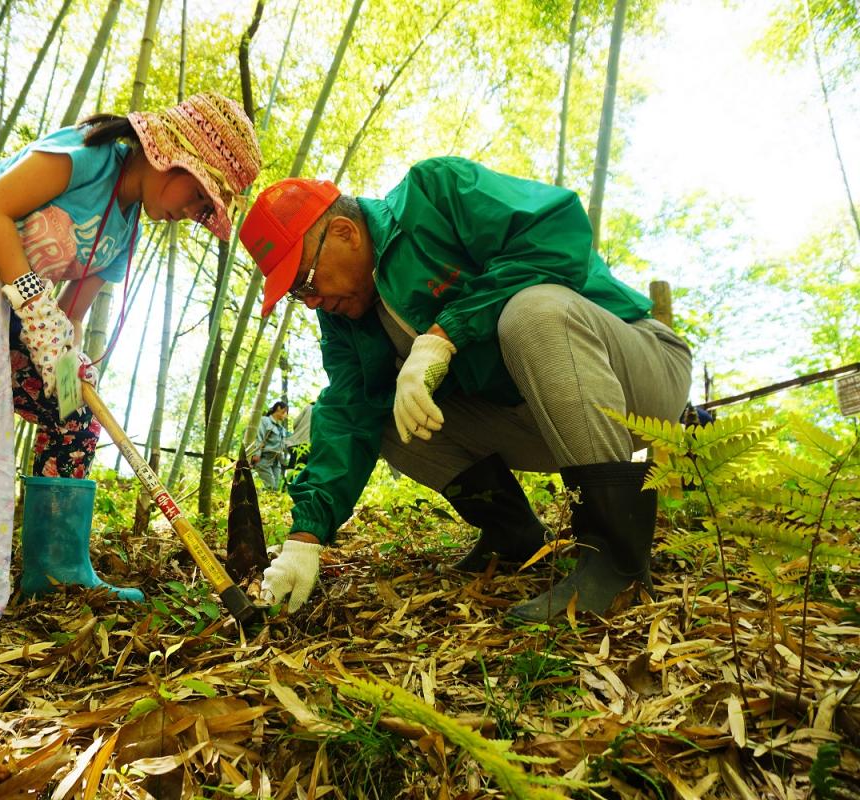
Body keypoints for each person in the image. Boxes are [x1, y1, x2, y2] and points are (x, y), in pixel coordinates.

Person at [0, 93, 261, 649]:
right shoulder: (89, 154)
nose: (191, 215)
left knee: (71, 408)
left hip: (5, 302)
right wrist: (37, 307)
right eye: (197, 196)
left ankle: (56, 571)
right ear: (167, 156)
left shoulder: (125, 235)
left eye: (203, 212)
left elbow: (65, 320)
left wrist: (68, 359)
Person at [238, 160, 693, 621]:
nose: (312, 301)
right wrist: (306, 538)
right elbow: (350, 411)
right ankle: (512, 533)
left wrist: (445, 332)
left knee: (533, 312)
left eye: (306, 281)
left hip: (637, 371)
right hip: (536, 416)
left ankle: (616, 557)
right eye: (298, 295)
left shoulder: (434, 195)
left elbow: (556, 236)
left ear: (344, 233)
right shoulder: (342, 317)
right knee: (392, 415)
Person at [250, 400, 289, 490]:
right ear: (279, 408)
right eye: (285, 412)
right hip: (264, 459)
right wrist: (256, 454)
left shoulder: (282, 429)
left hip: (277, 461)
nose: (286, 415)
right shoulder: (265, 421)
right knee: (270, 486)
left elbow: (283, 446)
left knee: (276, 487)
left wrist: (284, 462)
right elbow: (259, 437)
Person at [284, 401, 313, 474]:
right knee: (304, 472)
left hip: (298, 443)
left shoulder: (308, 407)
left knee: (293, 469)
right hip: (311, 447)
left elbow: (295, 424)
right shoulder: (324, 411)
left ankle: (289, 484)